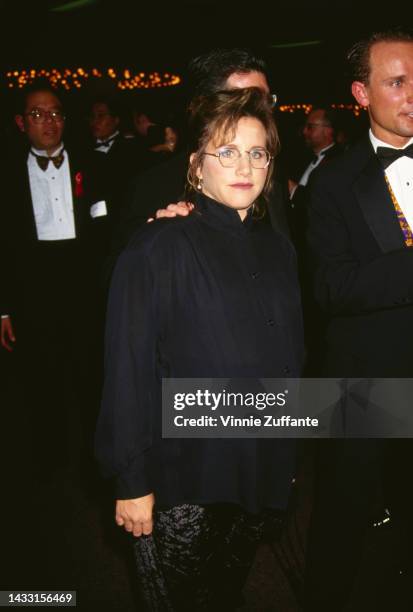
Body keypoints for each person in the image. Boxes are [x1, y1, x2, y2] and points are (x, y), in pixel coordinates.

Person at [95, 87, 304, 610]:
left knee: (226, 595)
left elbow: (288, 358)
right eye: (226, 151)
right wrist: (132, 479)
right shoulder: (158, 245)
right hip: (184, 477)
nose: (244, 165)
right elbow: (127, 368)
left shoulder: (277, 246)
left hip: (256, 466)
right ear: (196, 165)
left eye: (257, 152)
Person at [305, 28, 413, 610]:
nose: (412, 94)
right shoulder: (332, 182)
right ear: (361, 93)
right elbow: (329, 287)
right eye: (397, 82)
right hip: (365, 377)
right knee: (343, 514)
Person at [0, 83, 104, 475]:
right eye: (38, 114)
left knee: (90, 375)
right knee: (41, 378)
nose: (49, 121)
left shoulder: (91, 164)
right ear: (20, 123)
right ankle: (50, 461)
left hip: (83, 284)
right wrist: (3, 309)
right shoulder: (7, 174)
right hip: (33, 287)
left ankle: (97, 457)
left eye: (56, 113)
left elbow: (106, 231)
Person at [109, 48, 290, 266]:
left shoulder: (270, 175)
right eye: (246, 99)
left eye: (266, 100)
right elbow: (119, 276)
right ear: (207, 106)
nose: (261, 110)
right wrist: (155, 247)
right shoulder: (155, 186)